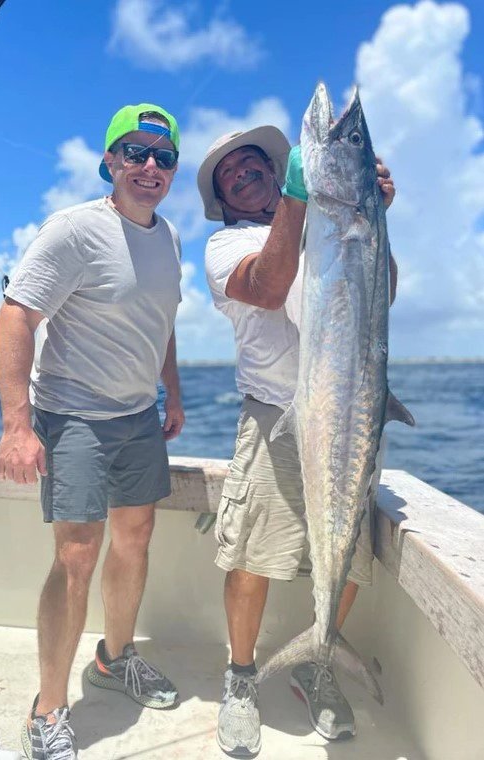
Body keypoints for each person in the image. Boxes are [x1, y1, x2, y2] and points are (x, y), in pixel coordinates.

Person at [197, 127, 397, 757]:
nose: (243, 171)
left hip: (350, 412)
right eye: (229, 172)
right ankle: (241, 677)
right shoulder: (225, 245)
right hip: (274, 418)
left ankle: (318, 660)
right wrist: (298, 200)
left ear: (276, 168)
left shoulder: (326, 225)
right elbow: (269, 287)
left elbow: (382, 296)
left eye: (254, 162)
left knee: (349, 556)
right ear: (221, 198)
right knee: (253, 557)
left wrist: (374, 221)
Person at [0, 103, 185, 760]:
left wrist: (172, 393)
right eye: (135, 151)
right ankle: (47, 710)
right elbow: (16, 316)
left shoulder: (170, 237)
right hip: (73, 415)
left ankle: (114, 657)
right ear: (110, 160)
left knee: (135, 538)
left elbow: (162, 323)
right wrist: (17, 425)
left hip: (137, 416)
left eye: (164, 157)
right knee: (76, 556)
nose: (150, 166)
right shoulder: (74, 230)